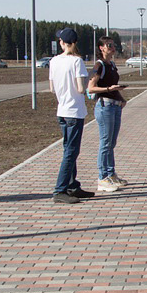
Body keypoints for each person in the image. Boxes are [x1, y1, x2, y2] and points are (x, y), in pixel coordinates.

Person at [49, 28, 94, 204]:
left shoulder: (54, 61)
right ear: (74, 43)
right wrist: (87, 78)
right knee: (71, 152)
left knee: (68, 149)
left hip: (62, 110)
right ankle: (60, 189)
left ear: (61, 42)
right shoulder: (77, 61)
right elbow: (81, 89)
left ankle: (72, 185)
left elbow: (52, 88)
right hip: (74, 111)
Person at [88, 36, 128, 192]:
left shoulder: (111, 65)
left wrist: (121, 98)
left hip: (115, 106)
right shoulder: (99, 65)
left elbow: (113, 86)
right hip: (104, 107)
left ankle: (111, 174)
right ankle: (102, 177)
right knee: (105, 143)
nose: (112, 47)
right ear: (101, 48)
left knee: (111, 142)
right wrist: (108, 90)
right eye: (108, 45)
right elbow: (90, 88)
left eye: (113, 44)